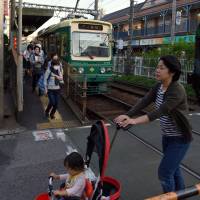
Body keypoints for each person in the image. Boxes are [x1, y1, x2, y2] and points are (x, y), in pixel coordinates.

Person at [114, 55, 192, 193]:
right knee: (174, 170)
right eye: (157, 67)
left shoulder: (177, 90)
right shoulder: (159, 86)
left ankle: (169, 197)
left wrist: (134, 121)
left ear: (172, 72)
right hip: (167, 137)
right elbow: (144, 101)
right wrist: (128, 115)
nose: (157, 70)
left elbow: (160, 112)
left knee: (164, 173)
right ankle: (180, 195)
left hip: (180, 139)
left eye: (161, 68)